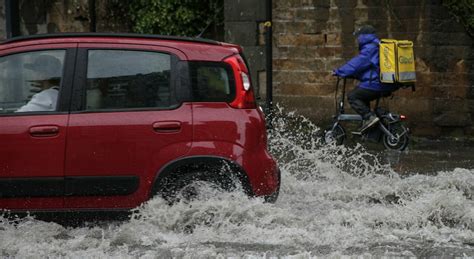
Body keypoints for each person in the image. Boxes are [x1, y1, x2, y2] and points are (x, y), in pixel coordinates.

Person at [333, 25, 398, 132]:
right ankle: (371, 131)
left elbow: (358, 63)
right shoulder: (377, 46)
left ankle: (369, 117)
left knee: (353, 96)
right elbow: (370, 68)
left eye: (358, 37)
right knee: (363, 97)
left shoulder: (370, 48)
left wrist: (339, 71)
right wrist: (354, 75)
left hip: (377, 84)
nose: (357, 39)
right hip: (384, 83)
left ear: (364, 36)